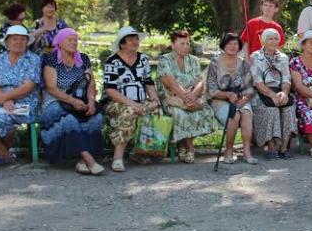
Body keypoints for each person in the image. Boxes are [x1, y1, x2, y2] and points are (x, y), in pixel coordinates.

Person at [40, 28, 105, 174]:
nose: (74, 42)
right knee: (69, 120)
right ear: (60, 42)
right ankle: (89, 159)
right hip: (55, 102)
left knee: (96, 117)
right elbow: (51, 88)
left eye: (75, 40)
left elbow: (91, 83)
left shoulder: (83, 59)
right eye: (70, 40)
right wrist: (72, 101)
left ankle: (81, 162)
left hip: (80, 101)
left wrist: (91, 101)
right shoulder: (51, 59)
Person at [0, 25, 41, 167]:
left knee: (0, 119)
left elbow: (28, 86)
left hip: (25, 103)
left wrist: (5, 98)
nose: (18, 42)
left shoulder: (33, 59)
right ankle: (5, 154)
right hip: (0, 102)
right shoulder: (0, 59)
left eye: (22, 39)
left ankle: (1, 154)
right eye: (14, 39)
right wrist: (2, 99)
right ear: (7, 42)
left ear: (27, 42)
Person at [156, 30, 220, 164]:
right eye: (182, 43)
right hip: (171, 99)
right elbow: (171, 83)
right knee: (181, 114)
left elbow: (200, 81)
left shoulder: (194, 60)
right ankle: (190, 148)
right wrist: (186, 98)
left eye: (187, 43)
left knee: (205, 111)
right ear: (173, 45)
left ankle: (182, 145)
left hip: (191, 97)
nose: (185, 46)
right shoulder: (165, 60)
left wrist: (193, 96)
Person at [102, 26, 160, 172]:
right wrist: (133, 104)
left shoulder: (143, 59)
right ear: (122, 43)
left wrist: (155, 100)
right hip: (116, 102)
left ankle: (139, 153)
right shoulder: (112, 61)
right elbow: (110, 90)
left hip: (140, 101)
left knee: (156, 110)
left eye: (136, 39)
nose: (135, 42)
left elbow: (148, 82)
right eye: (131, 39)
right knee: (130, 111)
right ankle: (117, 158)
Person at [207, 32, 257, 165]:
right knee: (234, 115)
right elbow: (211, 90)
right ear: (223, 45)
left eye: (236, 44)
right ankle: (228, 150)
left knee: (246, 113)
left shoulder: (243, 63)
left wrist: (245, 99)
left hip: (241, 99)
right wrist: (227, 95)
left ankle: (247, 151)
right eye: (230, 43)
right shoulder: (215, 63)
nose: (233, 46)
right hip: (220, 100)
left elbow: (249, 87)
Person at [250, 28, 297, 160]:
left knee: (288, 108)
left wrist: (284, 93)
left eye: (276, 38)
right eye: (270, 38)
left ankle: (283, 148)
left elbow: (287, 79)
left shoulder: (283, 57)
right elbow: (257, 81)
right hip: (262, 92)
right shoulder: (256, 57)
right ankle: (271, 147)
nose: (274, 41)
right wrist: (271, 95)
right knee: (272, 110)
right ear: (264, 41)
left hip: (279, 91)